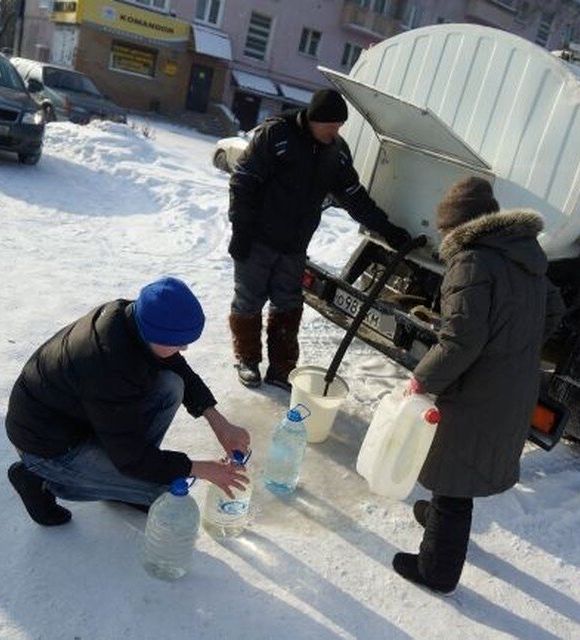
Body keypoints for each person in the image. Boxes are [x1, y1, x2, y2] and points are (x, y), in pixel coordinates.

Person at [392, 177, 552, 594]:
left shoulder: (471, 262)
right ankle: (438, 520)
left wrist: (422, 379)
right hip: (511, 383)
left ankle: (437, 571)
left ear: (458, 225)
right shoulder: (525, 255)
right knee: (460, 470)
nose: (443, 236)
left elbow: (460, 341)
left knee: (454, 475)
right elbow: (553, 313)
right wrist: (510, 343)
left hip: (479, 388)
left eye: (444, 229)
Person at [5, 276, 250, 527]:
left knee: (171, 385)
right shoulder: (106, 365)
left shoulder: (135, 317)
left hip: (84, 418)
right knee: (160, 492)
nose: (184, 348)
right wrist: (199, 468)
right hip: (47, 447)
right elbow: (131, 457)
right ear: (156, 334)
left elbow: (177, 367)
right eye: (178, 342)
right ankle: (40, 481)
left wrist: (219, 422)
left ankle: (125, 483)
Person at [227, 88, 411, 391]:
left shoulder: (336, 152)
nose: (336, 131)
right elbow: (243, 180)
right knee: (249, 299)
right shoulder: (276, 136)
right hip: (258, 238)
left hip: (295, 246)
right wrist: (241, 229)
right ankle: (247, 359)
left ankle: (281, 368)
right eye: (332, 125)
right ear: (315, 119)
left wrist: (387, 230)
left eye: (340, 126)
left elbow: (354, 197)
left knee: (288, 304)